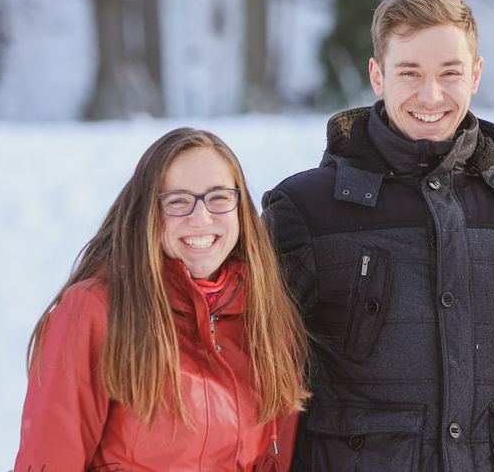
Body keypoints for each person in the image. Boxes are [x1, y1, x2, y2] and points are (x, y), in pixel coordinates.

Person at [262, 0, 494, 471]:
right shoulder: (305, 208)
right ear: (378, 76)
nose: (431, 94)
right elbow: (244, 356)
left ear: (476, 74)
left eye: (450, 73)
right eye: (410, 72)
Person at [15, 127, 309, 471]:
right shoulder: (96, 311)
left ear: (240, 208)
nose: (201, 218)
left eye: (218, 197)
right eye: (178, 201)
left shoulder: (267, 316)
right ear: (148, 213)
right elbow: (50, 457)